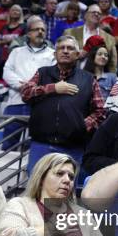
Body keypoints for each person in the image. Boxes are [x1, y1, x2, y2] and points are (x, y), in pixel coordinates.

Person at [20, 35, 105, 175]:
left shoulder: (88, 78)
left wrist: (81, 125)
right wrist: (52, 88)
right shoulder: (42, 73)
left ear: (77, 55)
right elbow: (25, 93)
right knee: (35, 189)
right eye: (61, 48)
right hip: (41, 144)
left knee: (63, 191)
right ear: (55, 54)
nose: (65, 51)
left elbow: (100, 111)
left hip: (72, 146)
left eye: (70, 48)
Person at [2, 16, 55, 150]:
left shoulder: (53, 54)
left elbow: (53, 77)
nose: (40, 32)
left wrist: (33, 89)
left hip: (40, 104)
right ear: (28, 33)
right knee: (9, 143)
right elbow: (7, 72)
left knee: (36, 144)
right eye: (36, 29)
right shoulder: (16, 52)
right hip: (16, 102)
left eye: (43, 30)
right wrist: (22, 86)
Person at [64, 4, 117, 73]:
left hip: (98, 79)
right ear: (85, 15)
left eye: (99, 13)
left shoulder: (109, 38)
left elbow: (112, 64)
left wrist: (112, 78)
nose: (96, 14)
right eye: (93, 12)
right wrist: (76, 54)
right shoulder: (70, 33)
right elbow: (62, 54)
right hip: (71, 74)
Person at [81, 38, 117, 102]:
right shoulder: (84, 76)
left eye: (106, 55)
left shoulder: (112, 77)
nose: (103, 57)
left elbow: (116, 98)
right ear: (93, 56)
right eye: (100, 54)